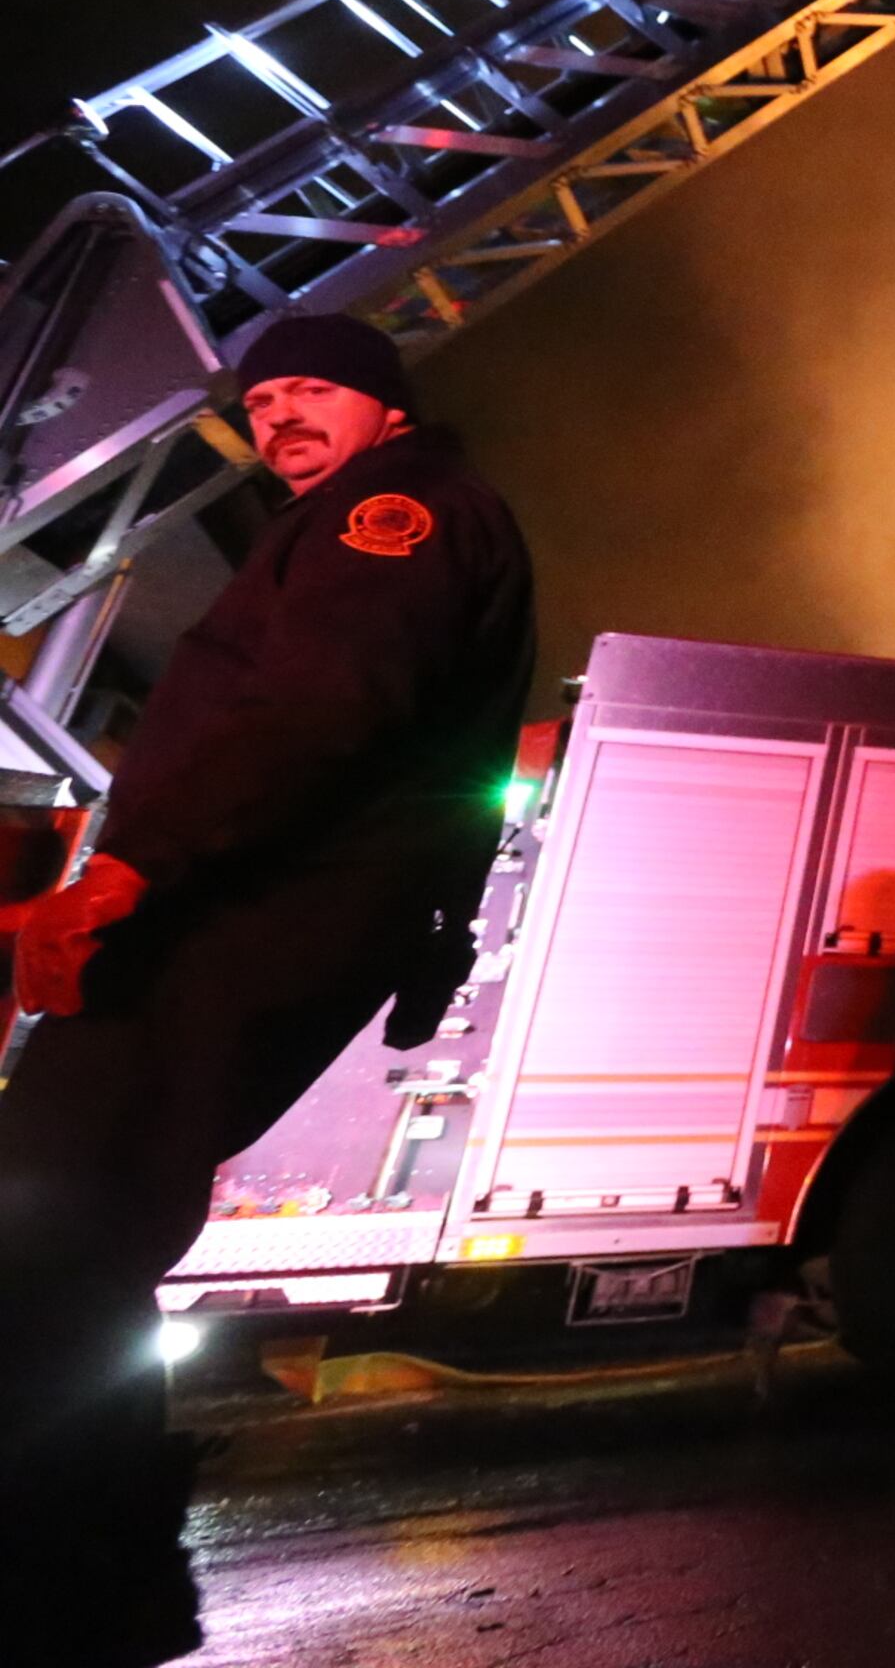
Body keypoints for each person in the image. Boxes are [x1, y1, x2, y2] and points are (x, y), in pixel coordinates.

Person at [0, 312, 535, 1666]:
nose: (283, 415)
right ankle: (92, 1573)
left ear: (388, 410)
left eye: (316, 391)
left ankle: (71, 1577)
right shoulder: (376, 515)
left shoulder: (397, 514)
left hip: (240, 910)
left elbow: (317, 711)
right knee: (79, 1238)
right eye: (267, 397)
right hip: (253, 907)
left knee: (56, 1227)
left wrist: (131, 878)